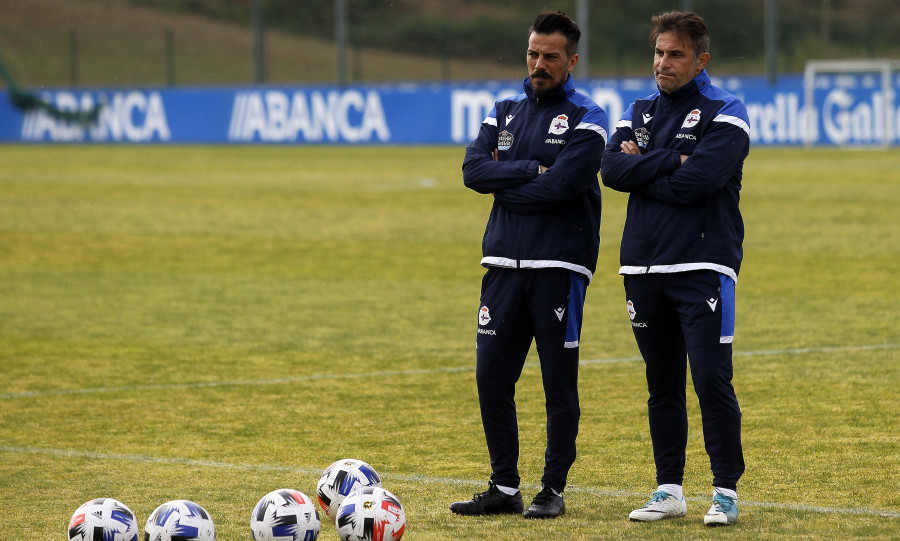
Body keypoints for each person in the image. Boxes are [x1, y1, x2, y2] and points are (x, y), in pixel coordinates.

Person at [449, 10, 608, 520]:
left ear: (572, 61)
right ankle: (503, 485)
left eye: (551, 57)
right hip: (501, 264)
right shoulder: (503, 109)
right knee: (491, 379)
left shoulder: (590, 115)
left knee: (557, 383)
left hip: (559, 266)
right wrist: (530, 171)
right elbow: (474, 171)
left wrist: (507, 180)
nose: (539, 64)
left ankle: (553, 488)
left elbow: (565, 186)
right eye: (533, 54)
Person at [600, 10, 749, 527]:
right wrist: (669, 161)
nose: (663, 62)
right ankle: (669, 489)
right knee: (661, 382)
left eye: (676, 54)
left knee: (711, 379)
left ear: (701, 59)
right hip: (641, 267)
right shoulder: (638, 109)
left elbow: (699, 183)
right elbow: (610, 170)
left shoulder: (726, 111)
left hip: (703, 265)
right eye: (659, 53)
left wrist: (645, 163)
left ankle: (725, 491)